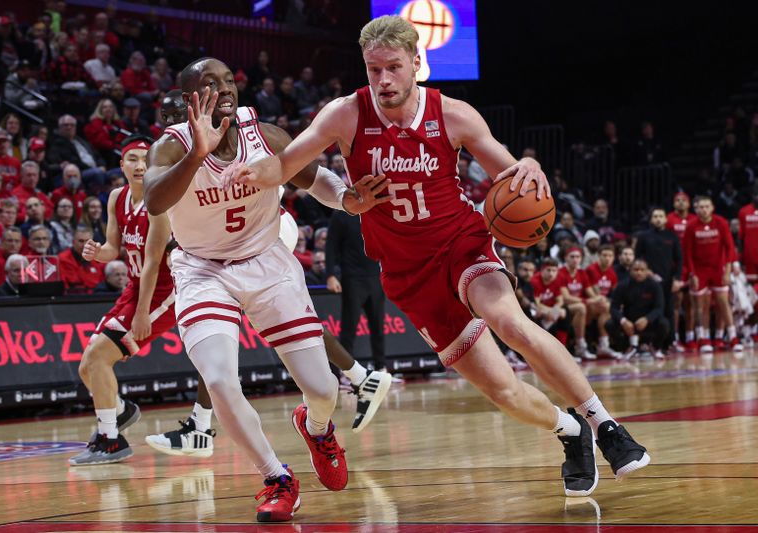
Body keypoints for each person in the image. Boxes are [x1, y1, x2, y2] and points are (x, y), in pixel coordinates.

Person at [229, 15, 650, 498]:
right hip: (407, 273)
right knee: (502, 390)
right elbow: (287, 163)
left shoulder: (453, 114)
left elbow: (508, 172)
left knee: (508, 321)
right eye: (373, 70)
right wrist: (254, 174)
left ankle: (605, 426)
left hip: (460, 244)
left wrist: (527, 165)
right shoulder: (345, 114)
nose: (383, 80)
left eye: (392, 68)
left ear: (416, 64)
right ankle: (570, 431)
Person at [142, 57, 390, 522]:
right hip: (203, 270)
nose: (226, 88)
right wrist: (198, 151)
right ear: (191, 98)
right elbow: (153, 200)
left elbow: (312, 176)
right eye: (211, 83)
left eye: (229, 80)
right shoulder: (171, 148)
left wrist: (346, 200)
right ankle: (277, 477)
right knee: (217, 379)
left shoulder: (264, 134)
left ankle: (316, 428)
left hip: (267, 263)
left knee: (322, 389)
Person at [69, 137, 176, 466]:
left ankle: (110, 439)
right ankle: (121, 411)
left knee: (99, 359)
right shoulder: (117, 197)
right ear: (121, 165)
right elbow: (113, 249)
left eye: (146, 159)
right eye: (132, 158)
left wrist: (143, 313)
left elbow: (153, 263)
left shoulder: (160, 202)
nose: (140, 165)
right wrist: (96, 253)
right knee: (87, 365)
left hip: (163, 293)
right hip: (134, 287)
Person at [326, 209, 388, 376]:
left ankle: (381, 369)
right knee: (349, 328)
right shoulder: (340, 214)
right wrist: (330, 274)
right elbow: (331, 245)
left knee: (378, 327)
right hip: (353, 278)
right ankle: (346, 374)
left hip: (376, 276)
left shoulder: (374, 210)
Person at [684, 195, 741, 353]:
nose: (703, 209)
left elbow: (730, 247)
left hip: (718, 268)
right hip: (699, 270)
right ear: (695, 209)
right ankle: (703, 337)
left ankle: (733, 337)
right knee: (700, 305)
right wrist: (692, 273)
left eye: (706, 206)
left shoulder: (721, 222)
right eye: (700, 207)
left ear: (712, 207)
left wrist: (727, 271)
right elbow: (687, 253)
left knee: (723, 302)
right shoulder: (691, 226)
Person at [634, 207, 683, 350]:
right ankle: (648, 343)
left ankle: (671, 341)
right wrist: (646, 272)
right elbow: (638, 257)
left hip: (667, 281)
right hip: (649, 281)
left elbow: (679, 259)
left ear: (666, 219)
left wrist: (677, 278)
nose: (658, 219)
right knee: (651, 311)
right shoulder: (643, 236)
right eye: (655, 216)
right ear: (651, 219)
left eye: (661, 216)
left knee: (669, 311)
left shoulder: (672, 236)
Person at [607, 259, 669, 359]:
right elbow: (613, 308)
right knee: (609, 324)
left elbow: (659, 308)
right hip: (629, 322)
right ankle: (625, 348)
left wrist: (647, 319)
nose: (639, 272)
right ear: (630, 271)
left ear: (647, 271)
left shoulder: (655, 285)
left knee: (664, 324)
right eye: (635, 269)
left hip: (648, 321)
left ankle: (654, 347)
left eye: (642, 270)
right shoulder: (622, 285)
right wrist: (623, 321)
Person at [666, 192, 696, 351]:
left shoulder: (694, 219)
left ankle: (690, 337)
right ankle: (675, 338)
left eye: (683, 200)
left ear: (689, 203)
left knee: (690, 303)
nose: (680, 203)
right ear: (673, 203)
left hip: (691, 264)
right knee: (676, 303)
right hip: (674, 267)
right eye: (677, 200)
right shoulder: (669, 219)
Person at [58, 226, 104, 294]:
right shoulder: (63, 259)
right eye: (81, 241)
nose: (85, 245)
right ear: (73, 242)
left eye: (88, 241)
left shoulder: (97, 258)